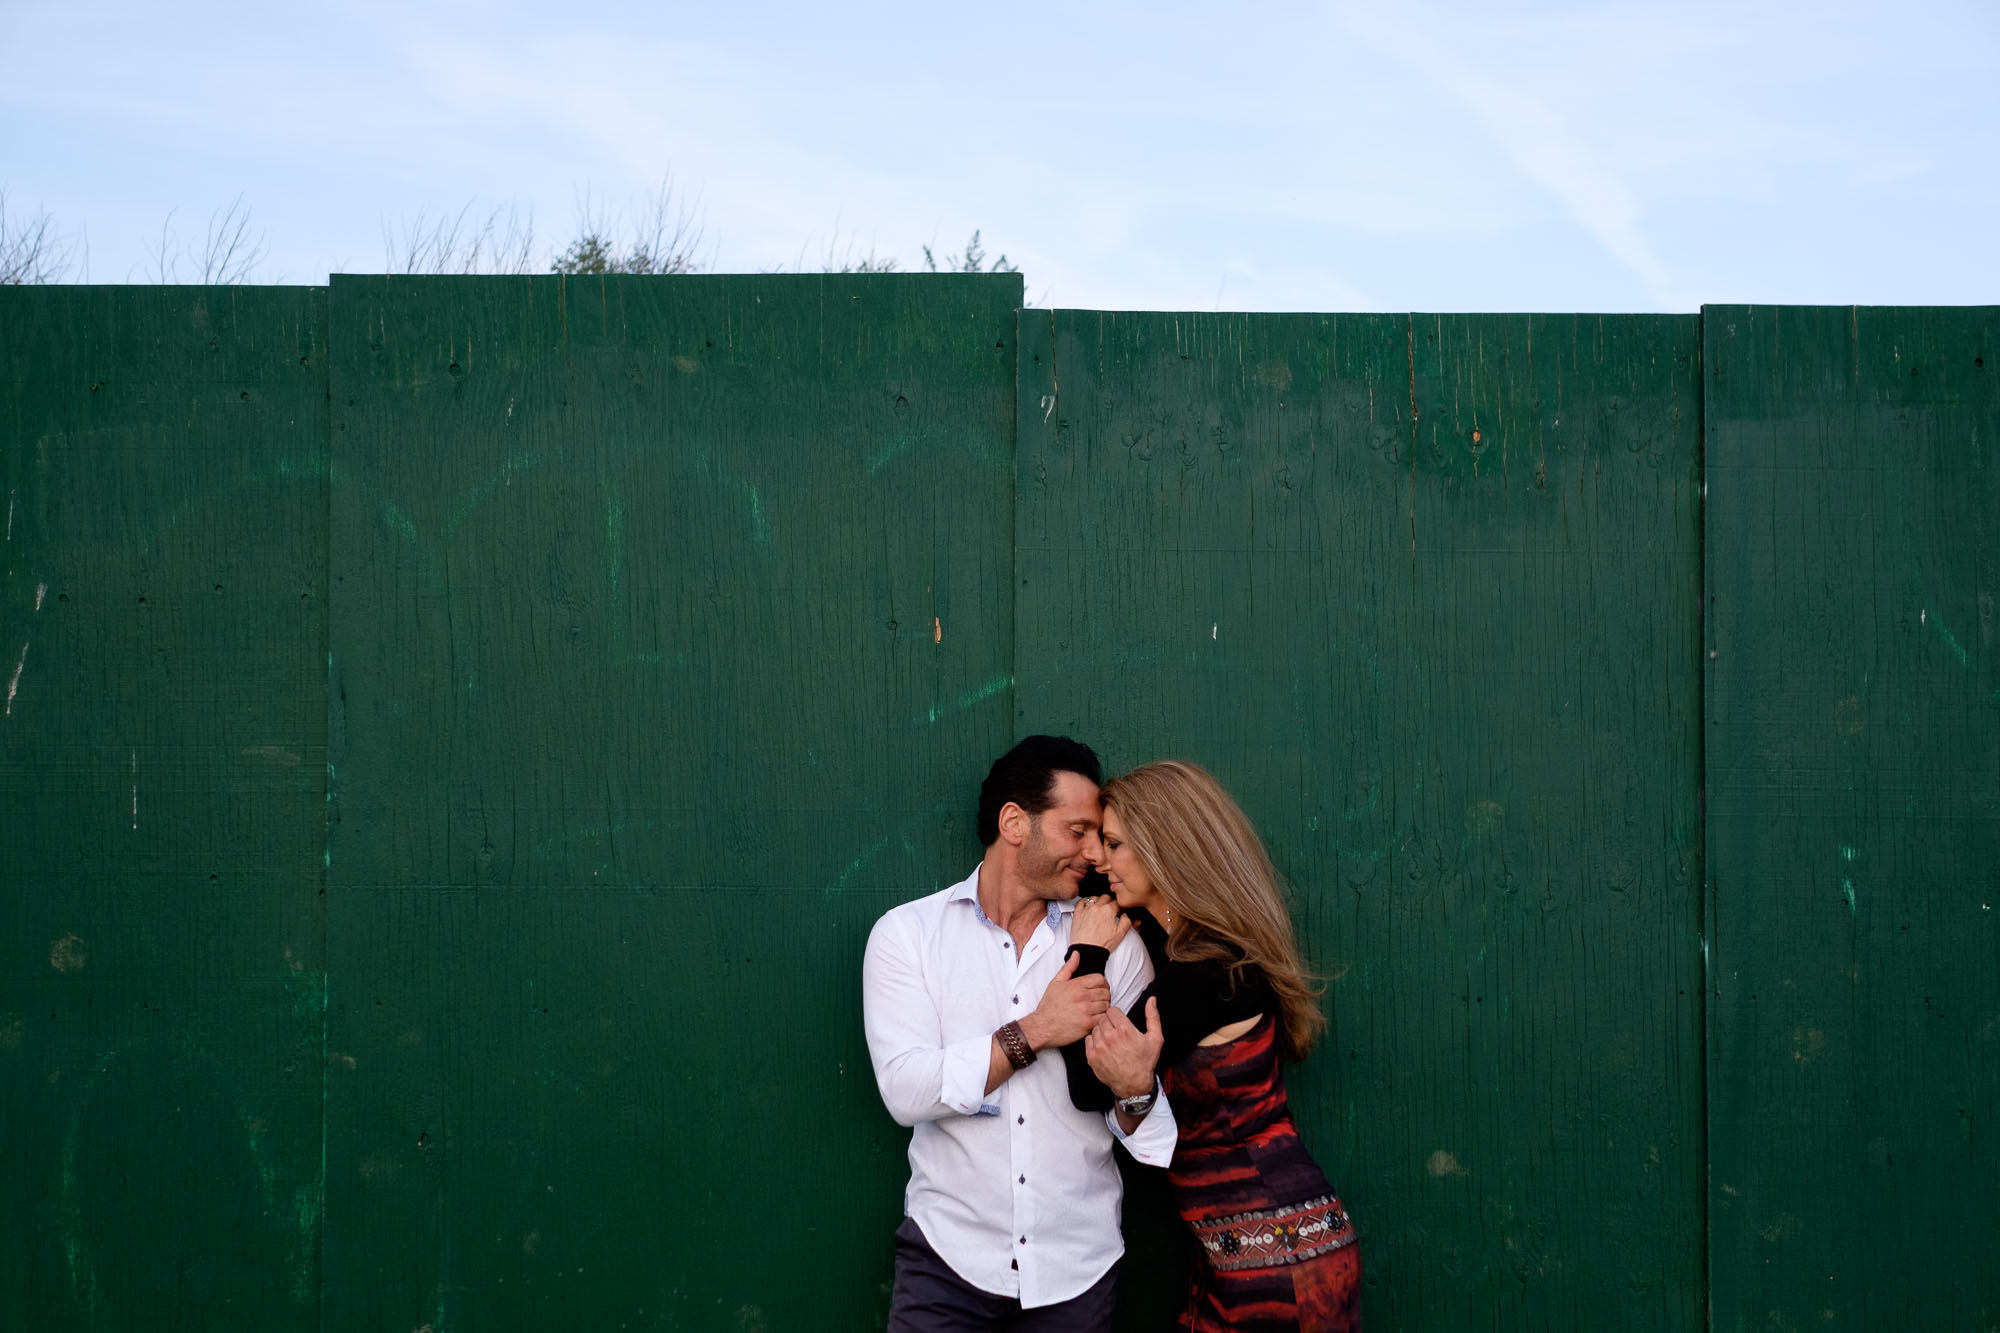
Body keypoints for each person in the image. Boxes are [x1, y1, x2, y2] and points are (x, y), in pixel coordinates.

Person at [862, 735, 1175, 1332]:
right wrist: (1036, 1030)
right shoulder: (909, 937)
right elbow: (906, 1091)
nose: (1094, 853)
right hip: (947, 1264)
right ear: (1014, 822)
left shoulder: (1118, 944)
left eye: (1099, 836)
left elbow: (1141, 1119)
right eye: (1077, 830)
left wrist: (1136, 1091)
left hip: (1076, 1273)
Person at [1062, 760, 1360, 1332]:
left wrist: (1090, 956)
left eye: (1115, 843)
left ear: (1165, 850)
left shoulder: (1210, 971)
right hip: (1244, 1246)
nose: (1098, 858)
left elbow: (1086, 1083)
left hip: (1277, 1258)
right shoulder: (1187, 945)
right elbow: (1104, 883)